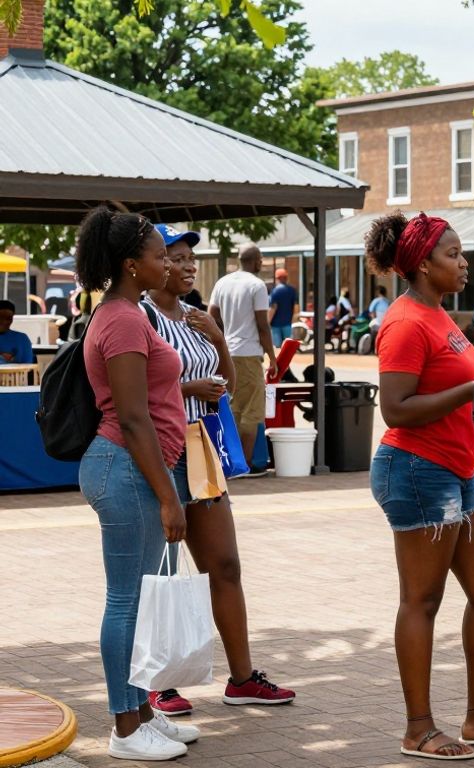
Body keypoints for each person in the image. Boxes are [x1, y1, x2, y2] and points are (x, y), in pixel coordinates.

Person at [364, 212, 474, 761]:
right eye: (453, 255)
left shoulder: (441, 316)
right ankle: (418, 728)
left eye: (462, 254)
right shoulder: (406, 322)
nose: (464, 263)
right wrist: (472, 390)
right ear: (422, 264)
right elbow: (395, 407)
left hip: (459, 471)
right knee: (422, 599)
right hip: (416, 469)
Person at [142, 224, 297, 719]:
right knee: (158, 571)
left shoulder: (193, 317)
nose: (188, 265)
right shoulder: (139, 317)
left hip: (202, 450)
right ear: (147, 262)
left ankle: (243, 678)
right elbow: (133, 394)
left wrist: (220, 341)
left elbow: (225, 385)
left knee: (224, 566)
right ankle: (157, 682)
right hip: (163, 453)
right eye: (176, 257)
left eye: (191, 257)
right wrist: (189, 391)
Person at [74, 206, 200, 761]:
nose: (167, 265)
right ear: (131, 265)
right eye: (157, 257)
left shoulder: (127, 312)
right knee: (126, 601)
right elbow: (131, 418)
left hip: (132, 466)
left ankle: (143, 711)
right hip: (126, 467)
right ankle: (125, 728)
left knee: (140, 599)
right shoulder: (124, 320)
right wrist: (170, 497)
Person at [209, 244, 277, 474]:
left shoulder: (222, 282)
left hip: (227, 354)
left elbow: (212, 317)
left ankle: (229, 462)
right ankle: (243, 465)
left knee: (234, 409)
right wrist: (273, 358)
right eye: (261, 259)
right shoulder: (256, 286)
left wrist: (222, 338)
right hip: (249, 356)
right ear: (256, 260)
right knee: (252, 412)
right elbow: (263, 326)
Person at [267, 268, 297, 349]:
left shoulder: (275, 291)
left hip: (276, 324)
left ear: (277, 278)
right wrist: (294, 320)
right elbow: (295, 307)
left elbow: (273, 308)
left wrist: (268, 322)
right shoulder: (292, 290)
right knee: (287, 347)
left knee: (278, 347)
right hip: (287, 323)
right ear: (286, 278)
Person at [0, 299, 35, 364]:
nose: (4, 321)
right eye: (0, 317)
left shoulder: (22, 339)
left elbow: (27, 366)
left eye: (8, 318)